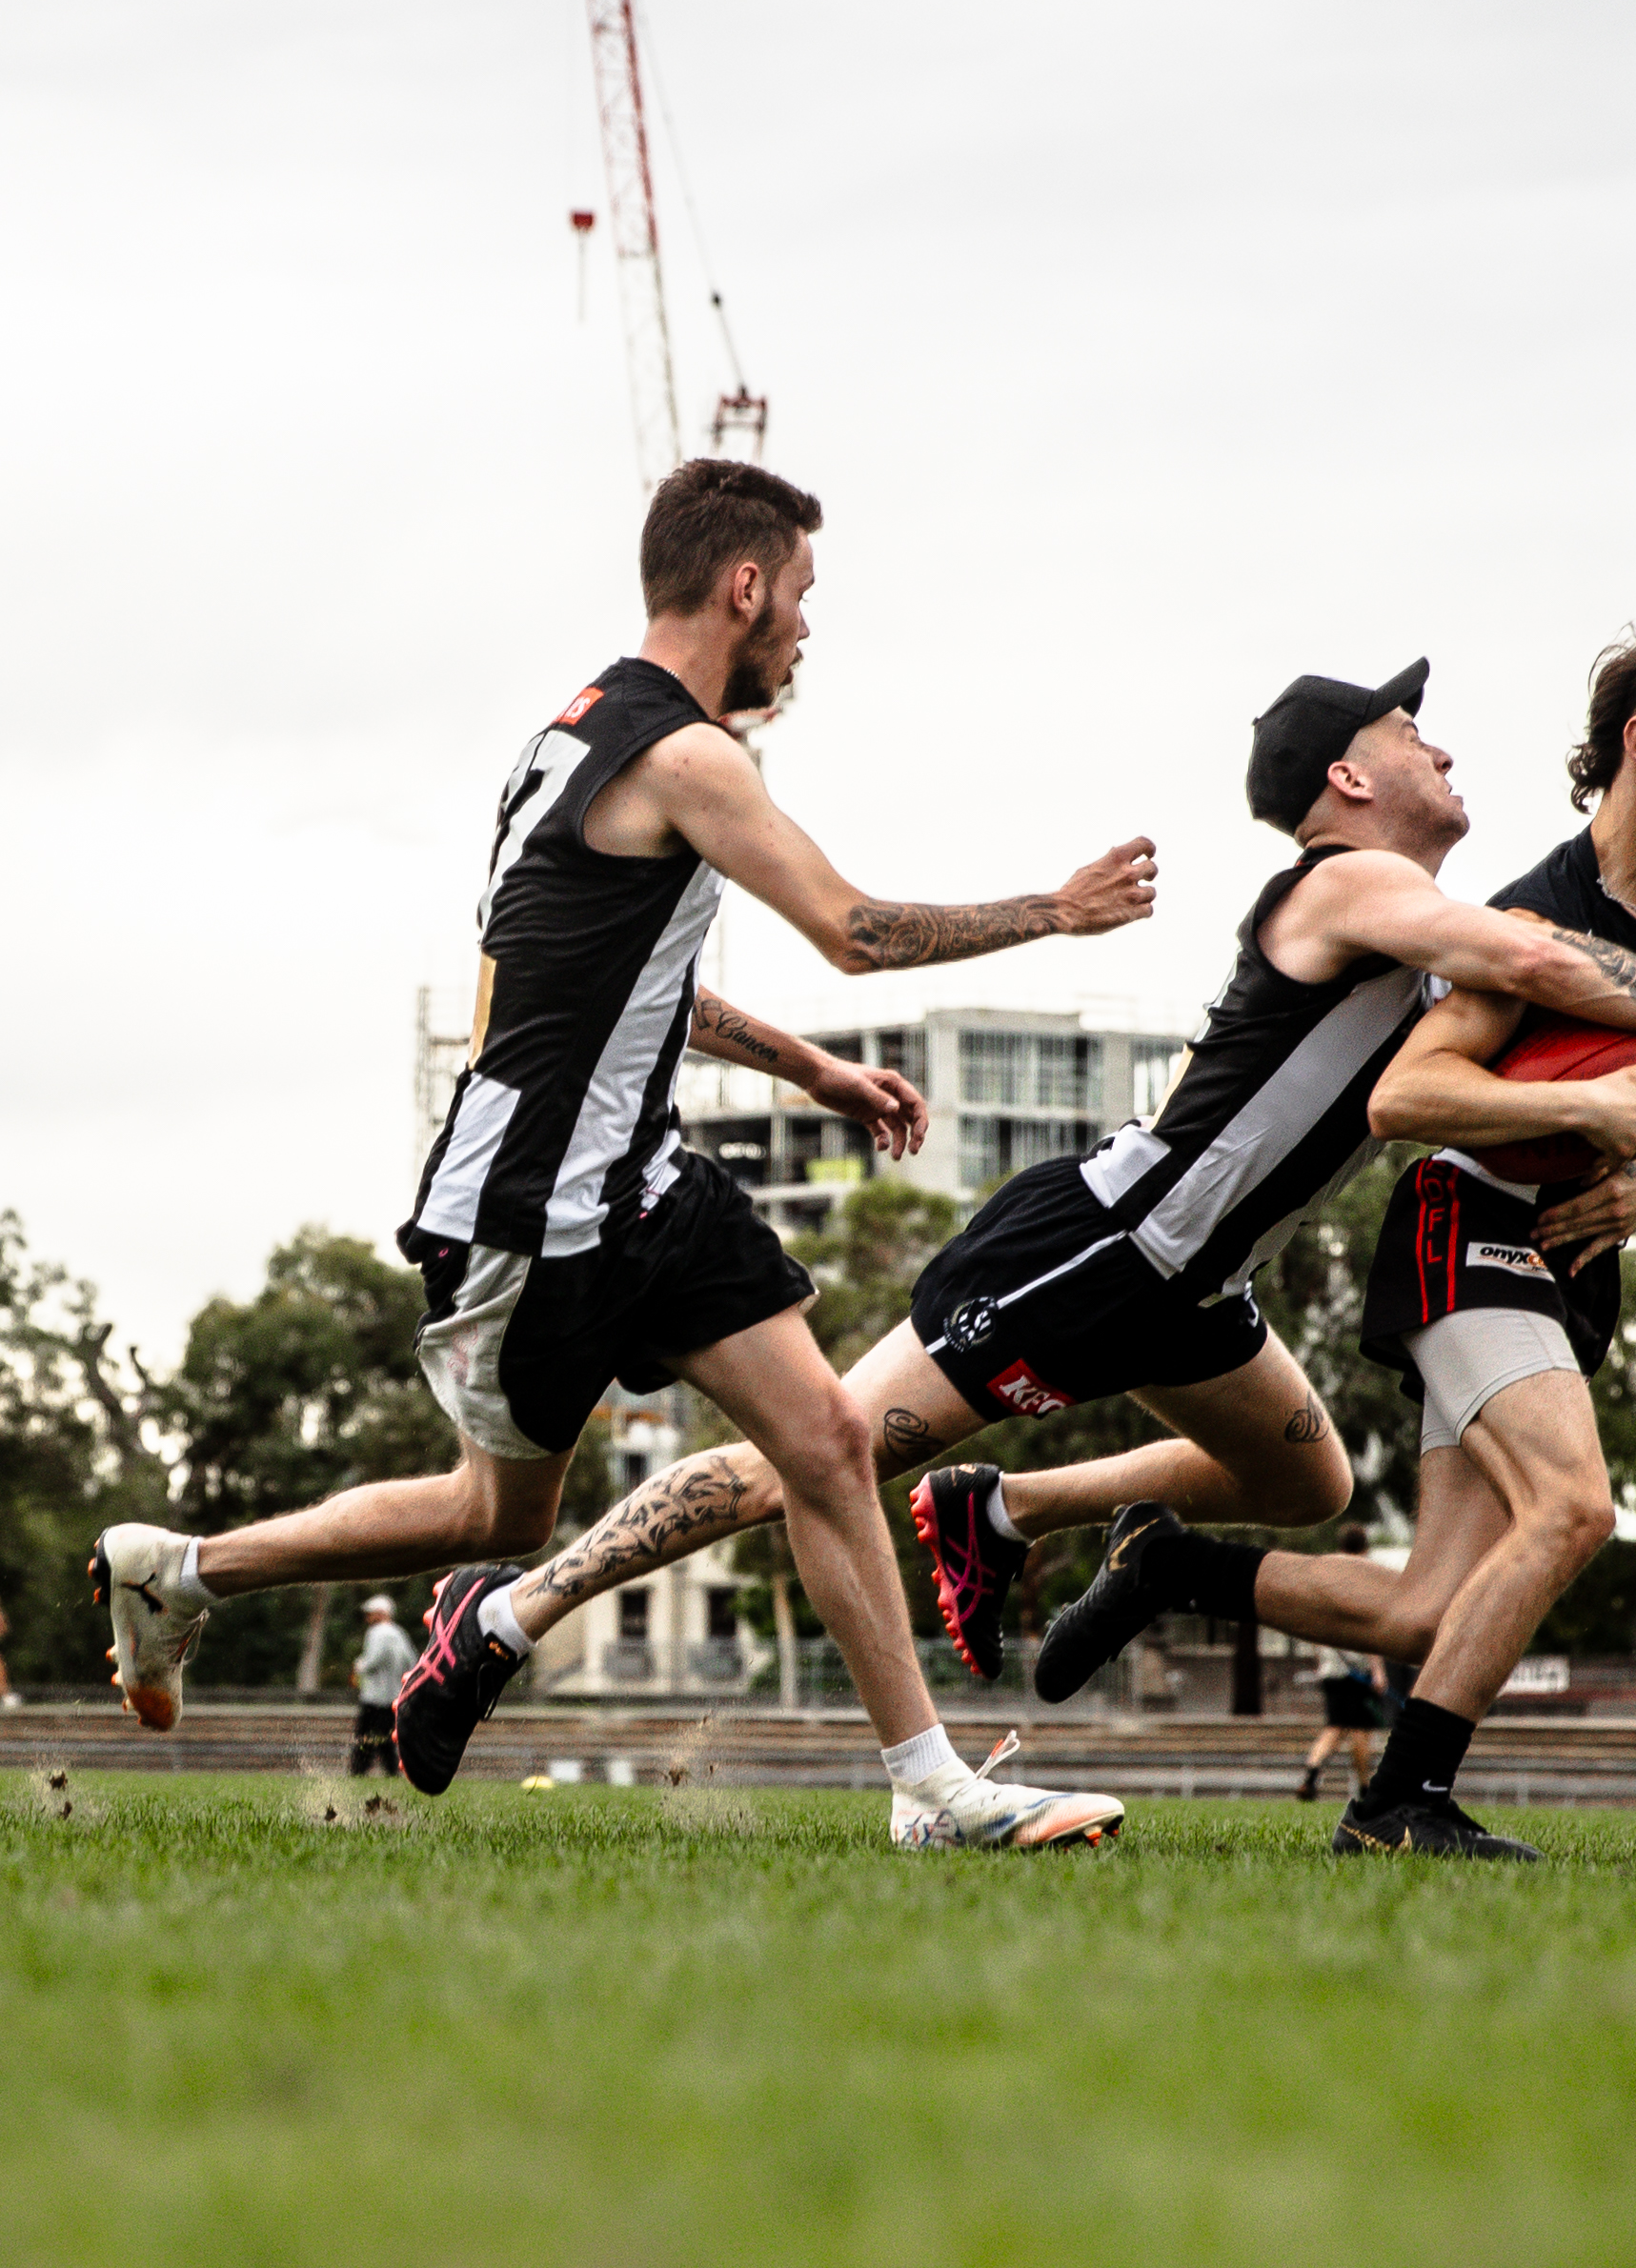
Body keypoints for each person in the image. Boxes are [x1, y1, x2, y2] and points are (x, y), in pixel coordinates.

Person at [91, 458, 1153, 1852]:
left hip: (647, 1183)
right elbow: (858, 930)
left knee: (828, 1437)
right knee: (494, 1509)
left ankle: (931, 1787)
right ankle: (182, 1569)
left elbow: (635, 985)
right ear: (745, 583)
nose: (808, 633)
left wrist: (810, 1066)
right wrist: (1056, 913)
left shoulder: (571, 734)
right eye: (804, 599)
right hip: (539, 1209)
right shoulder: (688, 755)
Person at [424, 655, 1636, 1707]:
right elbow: (1537, 965)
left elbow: (1542, 993)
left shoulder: (1426, 924)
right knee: (810, 1454)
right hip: (1102, 1248)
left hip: (1197, 1284)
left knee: (1305, 1489)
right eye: (1414, 733)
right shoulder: (1347, 880)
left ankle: (997, 1512)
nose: (1447, 748)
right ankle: (512, 1610)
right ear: (1350, 779)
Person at [1040, 634, 1636, 1861]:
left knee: (1424, 1608)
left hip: (1557, 1258)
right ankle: (1398, 1804)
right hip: (1466, 1226)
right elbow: (1409, 1098)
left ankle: (1171, 1567)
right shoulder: (1536, 918)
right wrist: (1580, 1116)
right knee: (1572, 1507)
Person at [1293, 1528, 1390, 1802]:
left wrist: (1321, 1661)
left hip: (1330, 1669)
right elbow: (1369, 1629)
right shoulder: (1365, 1578)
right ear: (1365, 1549)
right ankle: (1364, 1788)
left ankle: (1311, 1774)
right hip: (1357, 1671)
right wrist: (1378, 1671)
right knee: (1360, 1730)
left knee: (1335, 1726)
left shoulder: (1325, 1575)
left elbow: (1313, 1628)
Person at [349, 1596, 407, 1777]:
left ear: (381, 1613)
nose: (368, 1618)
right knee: (385, 1736)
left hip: (374, 1696)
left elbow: (372, 1661)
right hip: (392, 1695)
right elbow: (410, 1660)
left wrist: (358, 1666)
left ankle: (359, 1770)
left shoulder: (377, 1633)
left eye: (371, 1614)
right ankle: (391, 1770)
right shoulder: (398, 1633)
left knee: (365, 1736)